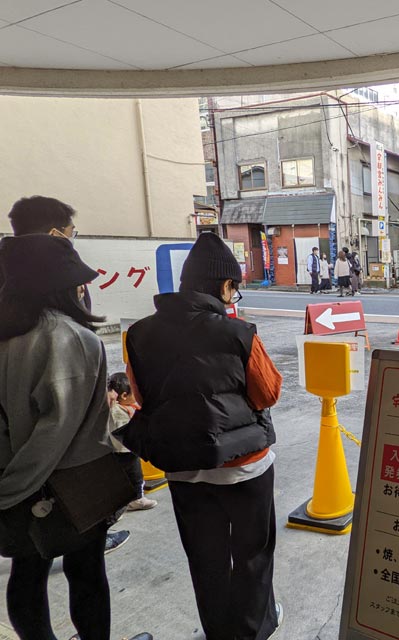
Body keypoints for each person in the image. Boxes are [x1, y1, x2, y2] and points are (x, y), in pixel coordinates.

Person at [121, 233, 283, 640]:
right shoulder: (239, 333)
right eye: (235, 289)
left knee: (205, 559)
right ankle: (252, 630)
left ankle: (218, 631)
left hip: (183, 466)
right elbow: (269, 393)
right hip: (245, 467)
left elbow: (141, 396)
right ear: (225, 286)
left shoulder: (138, 334)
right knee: (253, 556)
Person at [0, 234, 153, 640]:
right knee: (86, 573)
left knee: (27, 572)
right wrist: (13, 488)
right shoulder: (71, 338)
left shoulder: (6, 333)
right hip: (71, 482)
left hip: (13, 480)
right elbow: (56, 431)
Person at [2, 195, 91, 311]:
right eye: (71, 231)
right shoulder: (65, 276)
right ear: (54, 234)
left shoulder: (9, 268)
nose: (72, 237)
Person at [107, 372, 158, 512]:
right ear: (124, 396)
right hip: (127, 451)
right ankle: (137, 499)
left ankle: (122, 505)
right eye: (134, 393)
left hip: (114, 453)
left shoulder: (113, 407)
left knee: (120, 480)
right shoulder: (119, 412)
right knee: (136, 476)